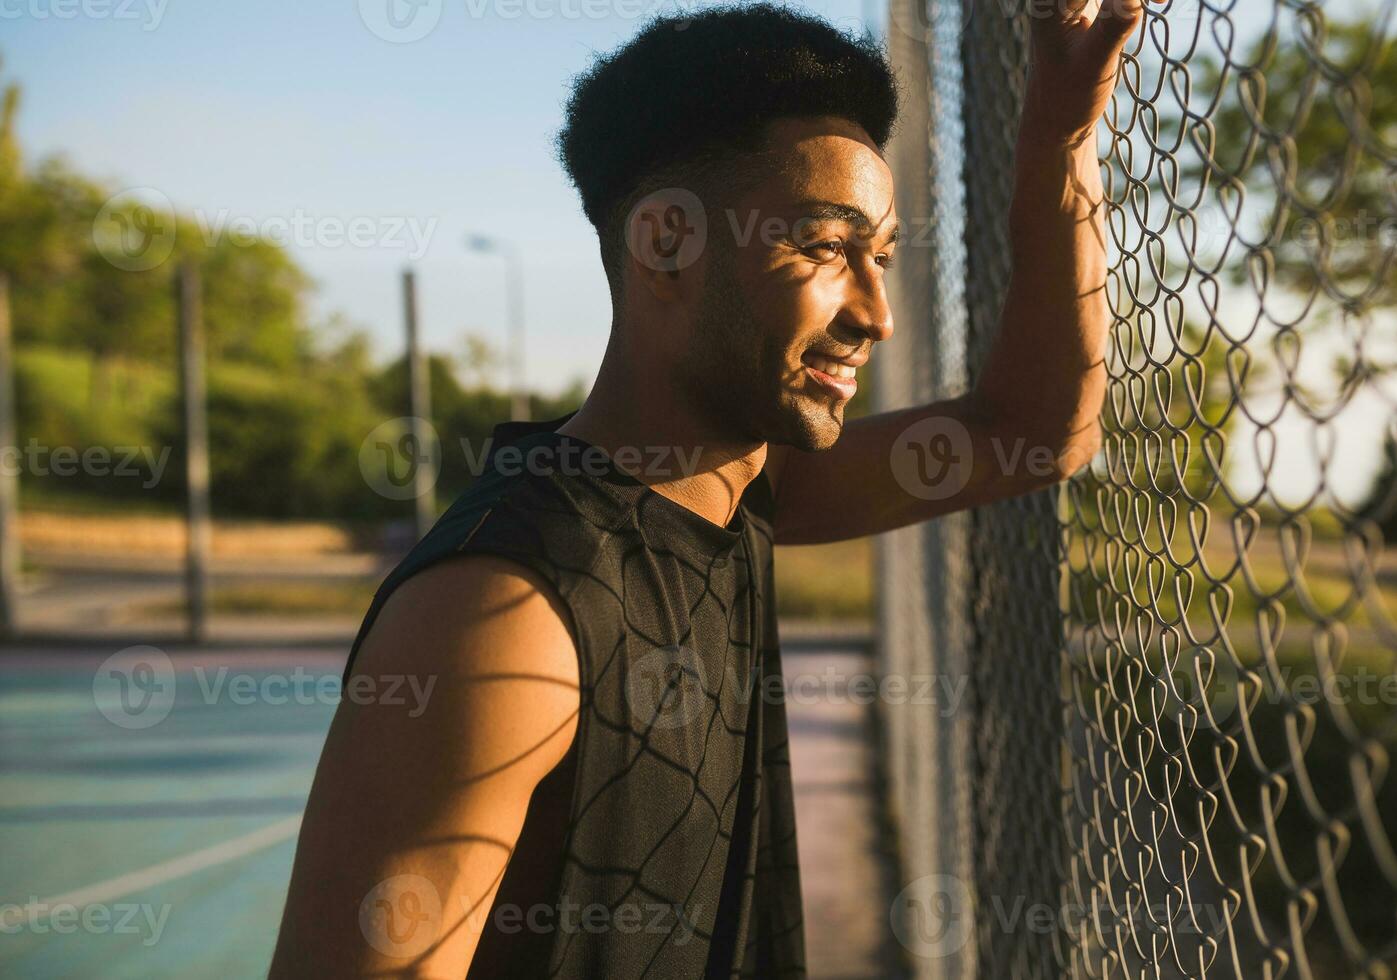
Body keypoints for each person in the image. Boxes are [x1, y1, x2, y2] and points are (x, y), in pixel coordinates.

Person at [269, 1, 1146, 976]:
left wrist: (1059, 135)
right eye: (822, 245)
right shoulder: (501, 610)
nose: (876, 315)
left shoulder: (738, 496)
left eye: (882, 257)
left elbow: (1034, 432)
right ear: (665, 245)